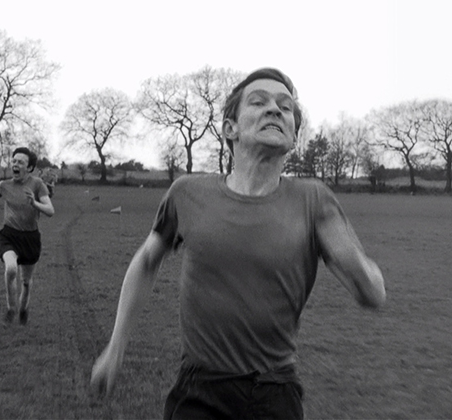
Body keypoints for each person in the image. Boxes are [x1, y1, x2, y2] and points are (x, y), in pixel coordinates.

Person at [90, 68, 386, 419]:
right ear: (230, 128)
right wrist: (116, 346)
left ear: (293, 135)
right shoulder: (186, 194)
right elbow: (146, 263)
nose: (275, 110)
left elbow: (373, 295)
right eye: (259, 102)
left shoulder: (314, 200)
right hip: (199, 391)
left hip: (275, 392)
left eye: (285, 107)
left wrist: (357, 267)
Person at [0, 147, 54, 325]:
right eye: (14, 161)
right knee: (11, 269)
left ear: (29, 168)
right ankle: (10, 307)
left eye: (20, 162)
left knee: (27, 282)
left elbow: (50, 211)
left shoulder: (37, 184)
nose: (15, 164)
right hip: (9, 235)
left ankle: (23, 310)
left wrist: (35, 203)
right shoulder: (3, 185)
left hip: (30, 238)